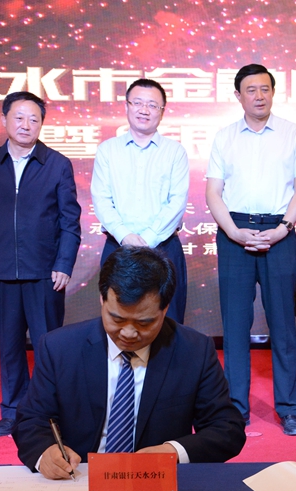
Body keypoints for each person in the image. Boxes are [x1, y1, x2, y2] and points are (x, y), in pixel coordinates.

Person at [13, 247, 246, 479]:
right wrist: (45, 452)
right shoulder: (60, 347)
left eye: (144, 323)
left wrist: (172, 452)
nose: (129, 333)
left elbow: (227, 429)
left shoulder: (194, 350)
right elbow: (31, 420)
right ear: (102, 299)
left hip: (156, 482)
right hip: (79, 478)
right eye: (117, 319)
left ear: (164, 309)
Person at [205, 64, 296, 435]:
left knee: (283, 326)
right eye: (251, 90)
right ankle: (236, 409)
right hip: (234, 232)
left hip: (279, 232)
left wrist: (283, 229)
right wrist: (234, 232)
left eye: (265, 88)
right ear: (238, 96)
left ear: (273, 92)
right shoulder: (225, 136)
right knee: (235, 327)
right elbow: (213, 192)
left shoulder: (293, 133)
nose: (259, 96)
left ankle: (289, 409)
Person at [0, 91, 82, 437]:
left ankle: (49, 414)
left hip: (45, 273)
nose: (26, 125)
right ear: (4, 120)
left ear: (42, 124)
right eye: (19, 117)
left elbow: (70, 221)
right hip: (0, 273)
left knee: (49, 347)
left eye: (34, 119)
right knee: (10, 347)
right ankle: (13, 411)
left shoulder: (57, 164)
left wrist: (64, 264)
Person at [91, 78, 189, 323]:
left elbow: (177, 202)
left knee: (168, 322)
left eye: (152, 105)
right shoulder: (107, 150)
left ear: (162, 112)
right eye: (138, 103)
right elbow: (101, 199)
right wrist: (125, 236)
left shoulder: (175, 151)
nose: (144, 110)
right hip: (118, 246)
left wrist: (148, 240)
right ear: (127, 106)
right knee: (117, 320)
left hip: (164, 247)